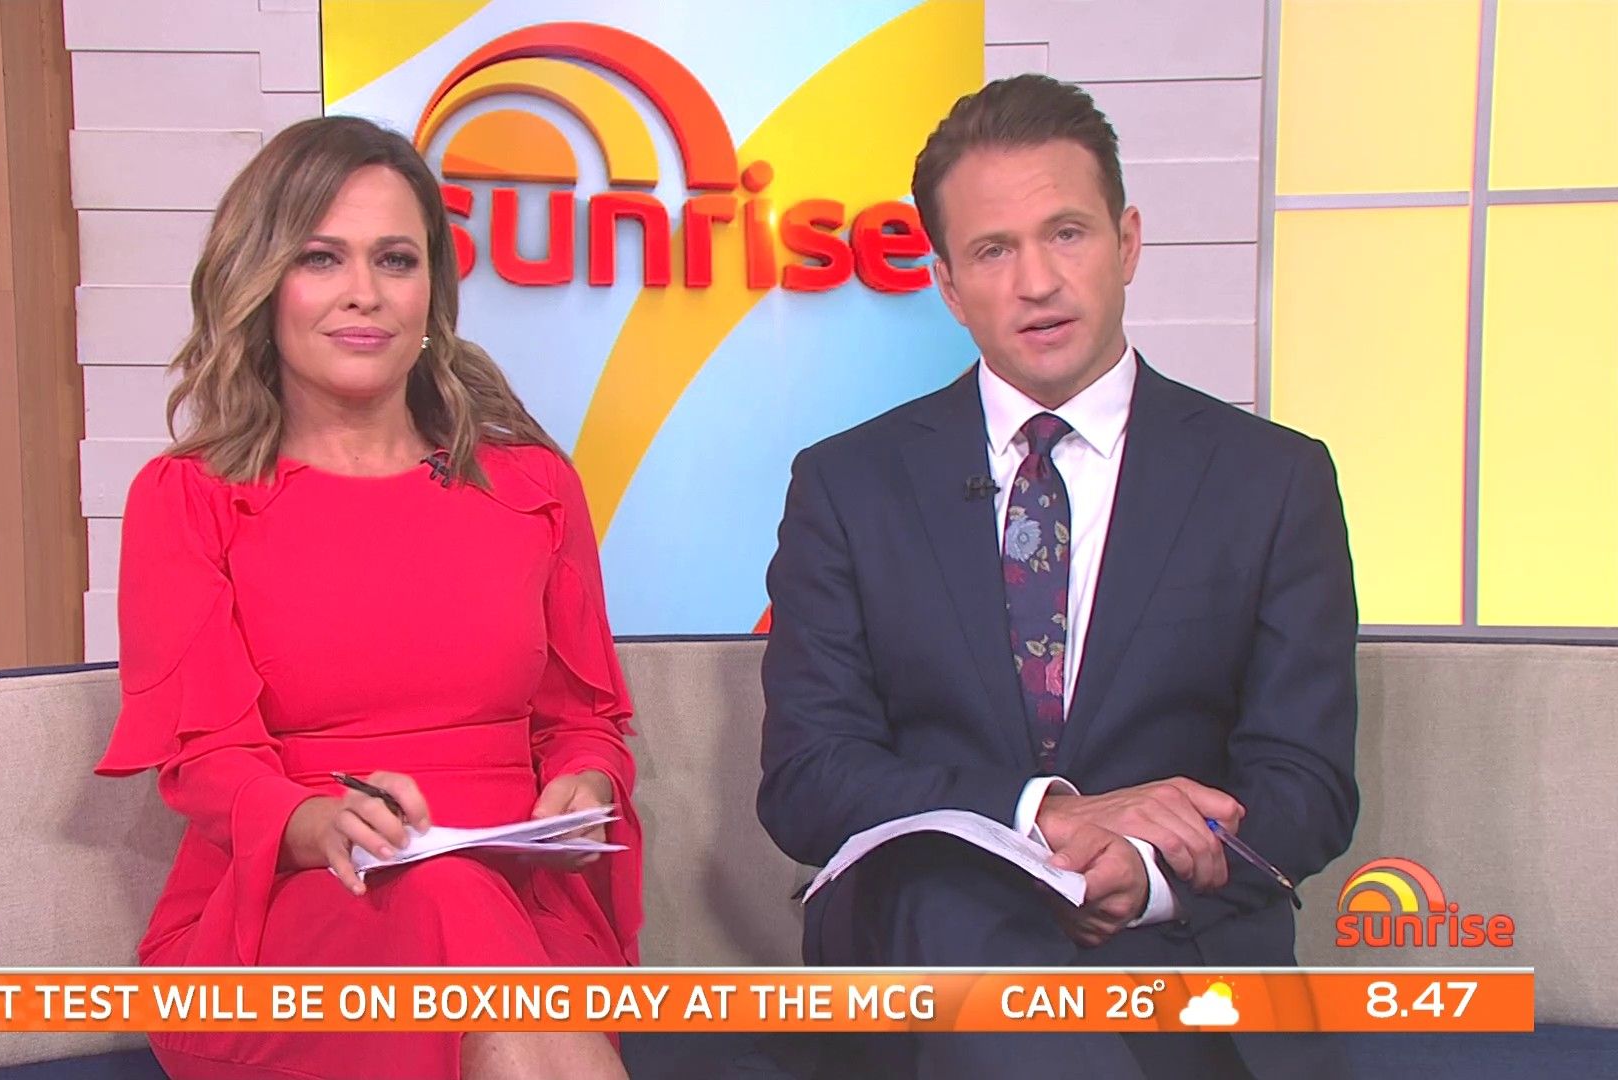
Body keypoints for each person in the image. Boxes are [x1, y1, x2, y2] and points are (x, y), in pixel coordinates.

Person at [755, 75, 1358, 1079]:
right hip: (931, 950)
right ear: (950, 285)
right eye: (994, 250)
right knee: (957, 920)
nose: (1036, 280)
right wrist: (1044, 812)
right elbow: (808, 781)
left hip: (1182, 950)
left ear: (1127, 243)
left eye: (1066, 234)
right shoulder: (849, 485)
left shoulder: (1272, 479)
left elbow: (1307, 785)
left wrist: (1148, 871)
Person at [94, 116, 640, 1080]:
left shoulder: (532, 486)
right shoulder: (190, 499)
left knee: (462, 907)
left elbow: (582, 721)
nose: (365, 292)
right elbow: (210, 761)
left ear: (433, 291)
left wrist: (586, 785)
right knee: (444, 901)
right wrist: (317, 823)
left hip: (524, 900)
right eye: (321, 258)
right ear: (263, 283)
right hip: (287, 915)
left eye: (396, 259)